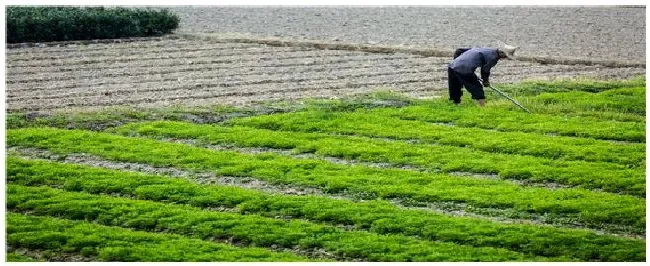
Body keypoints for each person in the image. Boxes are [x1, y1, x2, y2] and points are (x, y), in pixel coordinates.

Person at [447, 41, 518, 106]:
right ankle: (482, 107)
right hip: (464, 69)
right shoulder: (493, 58)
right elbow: (485, 70)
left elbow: (458, 50)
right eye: (505, 56)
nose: (505, 58)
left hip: (451, 66)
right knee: (477, 87)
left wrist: (456, 62)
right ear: (502, 53)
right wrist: (485, 81)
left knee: (455, 86)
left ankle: (455, 104)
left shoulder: (484, 49)